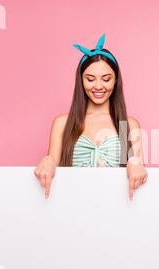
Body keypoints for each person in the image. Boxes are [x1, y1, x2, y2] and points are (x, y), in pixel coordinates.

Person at [34, 34, 147, 200]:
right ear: (81, 80)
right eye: (90, 79)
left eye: (106, 79)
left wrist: (136, 164)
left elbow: (138, 171)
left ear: (116, 81)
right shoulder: (63, 123)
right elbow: (52, 161)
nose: (98, 86)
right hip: (71, 204)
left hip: (116, 206)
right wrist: (47, 161)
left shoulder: (128, 124)